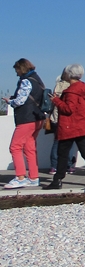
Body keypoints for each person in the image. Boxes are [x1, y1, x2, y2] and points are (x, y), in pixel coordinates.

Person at [43, 64, 85, 190]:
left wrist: (56, 101)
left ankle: (58, 179)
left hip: (70, 126)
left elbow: (68, 109)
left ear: (69, 74)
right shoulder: (83, 88)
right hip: (81, 125)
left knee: (62, 153)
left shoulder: (71, 91)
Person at [3, 58, 45, 189]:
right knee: (29, 148)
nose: (16, 73)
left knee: (15, 147)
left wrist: (10, 101)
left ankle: (20, 177)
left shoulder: (26, 81)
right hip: (38, 118)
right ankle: (33, 177)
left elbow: (20, 101)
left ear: (21, 68)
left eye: (17, 70)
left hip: (27, 118)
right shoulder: (37, 79)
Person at [48, 70, 77, 174]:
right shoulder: (72, 87)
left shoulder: (58, 85)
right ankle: (69, 165)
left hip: (55, 117)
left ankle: (54, 166)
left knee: (56, 142)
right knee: (69, 142)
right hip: (67, 118)